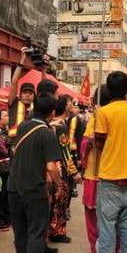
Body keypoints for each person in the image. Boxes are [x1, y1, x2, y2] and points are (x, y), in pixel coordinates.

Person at [83, 71, 127, 253]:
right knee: (126, 227)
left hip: (109, 176)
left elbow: (98, 144)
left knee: (107, 229)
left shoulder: (104, 112)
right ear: (126, 89)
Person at [8, 93, 62, 253]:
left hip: (14, 186)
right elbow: (51, 167)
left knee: (20, 231)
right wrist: (58, 184)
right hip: (34, 188)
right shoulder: (47, 133)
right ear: (52, 112)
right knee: (37, 232)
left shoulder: (23, 126)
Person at [80, 85, 111, 253]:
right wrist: (91, 140)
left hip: (107, 176)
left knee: (108, 219)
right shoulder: (93, 119)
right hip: (93, 174)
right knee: (93, 219)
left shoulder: (112, 117)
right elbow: (84, 143)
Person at [49, 95, 81, 243]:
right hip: (60, 167)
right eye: (69, 102)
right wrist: (73, 172)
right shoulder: (60, 125)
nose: (72, 105)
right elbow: (65, 151)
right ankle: (57, 231)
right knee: (61, 199)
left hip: (51, 166)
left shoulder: (52, 123)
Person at [7, 48, 36, 140]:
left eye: (30, 93)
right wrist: (21, 61)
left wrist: (43, 69)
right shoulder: (13, 103)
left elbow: (45, 91)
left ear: (34, 96)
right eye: (25, 92)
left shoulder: (37, 106)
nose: (27, 95)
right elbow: (14, 82)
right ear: (20, 95)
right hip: (15, 142)